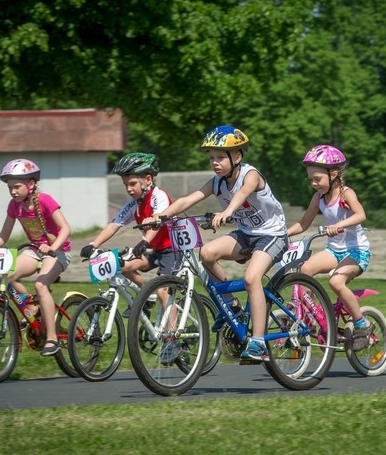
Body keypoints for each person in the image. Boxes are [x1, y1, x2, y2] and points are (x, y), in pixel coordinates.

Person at [157, 125, 288, 361]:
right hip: (247, 234)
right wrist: (159, 217)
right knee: (206, 253)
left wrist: (227, 211)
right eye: (211, 158)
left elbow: (242, 194)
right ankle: (233, 306)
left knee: (251, 278)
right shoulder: (217, 182)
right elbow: (189, 199)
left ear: (236, 156)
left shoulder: (251, 175)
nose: (214, 163)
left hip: (272, 235)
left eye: (220, 157)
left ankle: (258, 343)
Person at [79, 152, 182, 363]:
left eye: (133, 183)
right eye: (126, 184)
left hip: (173, 249)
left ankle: (172, 340)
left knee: (163, 289)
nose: (129, 188)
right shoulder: (134, 203)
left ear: (148, 179)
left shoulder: (158, 196)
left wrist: (144, 241)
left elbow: (157, 222)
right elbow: (114, 224)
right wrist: (92, 244)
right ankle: (146, 299)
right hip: (153, 251)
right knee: (122, 266)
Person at [0, 158, 72, 356]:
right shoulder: (14, 206)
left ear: (31, 184)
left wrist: (52, 247)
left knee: (40, 285)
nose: (13, 191)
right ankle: (32, 307)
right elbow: (4, 235)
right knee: (8, 275)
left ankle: (52, 339)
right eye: (10, 187)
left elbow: (65, 229)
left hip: (58, 252)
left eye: (17, 186)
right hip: (34, 251)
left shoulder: (45, 200)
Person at [286, 145, 373, 350]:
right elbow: (304, 224)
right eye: (311, 180)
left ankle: (362, 323)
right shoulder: (318, 198)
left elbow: (361, 215)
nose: (314, 184)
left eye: (317, 179)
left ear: (333, 173)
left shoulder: (346, 194)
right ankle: (306, 316)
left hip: (356, 251)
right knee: (304, 270)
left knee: (336, 282)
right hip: (334, 251)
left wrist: (339, 225)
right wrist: (283, 234)